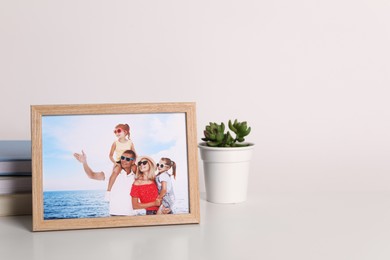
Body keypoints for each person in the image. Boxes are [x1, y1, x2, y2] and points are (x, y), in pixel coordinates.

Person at [73, 150, 138, 216]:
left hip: (133, 215)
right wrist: (84, 162)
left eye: (127, 159)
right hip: (115, 215)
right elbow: (92, 175)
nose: (124, 160)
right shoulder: (113, 171)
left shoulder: (137, 175)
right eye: (122, 158)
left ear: (133, 161)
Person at [107, 124, 137, 198]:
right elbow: (110, 155)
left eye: (119, 131)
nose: (117, 133)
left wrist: (135, 162)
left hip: (129, 161)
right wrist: (115, 163)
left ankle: (138, 190)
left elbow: (135, 154)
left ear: (125, 132)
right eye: (115, 131)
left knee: (137, 171)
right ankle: (108, 191)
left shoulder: (130, 142)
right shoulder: (115, 143)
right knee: (115, 172)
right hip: (119, 161)